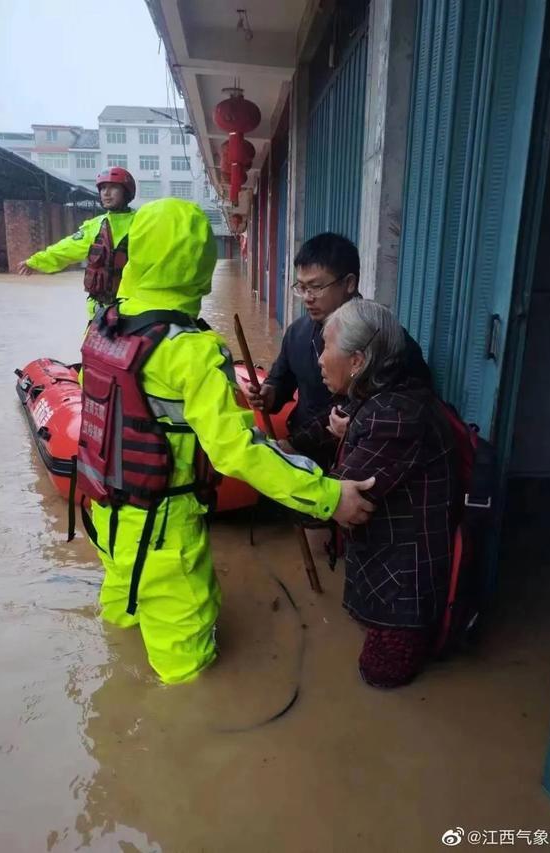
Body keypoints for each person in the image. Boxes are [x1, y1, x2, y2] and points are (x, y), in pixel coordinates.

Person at [75, 198, 377, 685]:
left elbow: (140, 401)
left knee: (124, 623)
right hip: (163, 530)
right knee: (187, 675)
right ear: (200, 263)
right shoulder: (190, 350)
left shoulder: (103, 326)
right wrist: (327, 497)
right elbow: (236, 450)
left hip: (108, 514)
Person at [292, 299, 457, 687]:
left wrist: (258, 468)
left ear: (357, 361)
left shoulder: (393, 416)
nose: (319, 358)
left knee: (378, 677)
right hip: (385, 565)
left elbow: (323, 504)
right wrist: (288, 443)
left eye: (327, 347)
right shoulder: (381, 394)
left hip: (404, 589)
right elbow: (335, 423)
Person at [239, 232, 431, 446]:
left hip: (355, 458)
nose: (307, 298)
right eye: (302, 287)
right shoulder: (298, 333)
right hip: (301, 446)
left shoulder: (386, 341)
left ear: (349, 283)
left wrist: (358, 428)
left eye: (316, 287)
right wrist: (268, 395)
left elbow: (412, 411)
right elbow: (280, 380)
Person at [18, 167, 136, 311]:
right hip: (100, 307)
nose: (106, 193)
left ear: (126, 192)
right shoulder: (95, 226)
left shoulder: (142, 223)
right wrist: (35, 262)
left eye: (113, 187)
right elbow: (66, 248)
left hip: (134, 306)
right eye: (103, 188)